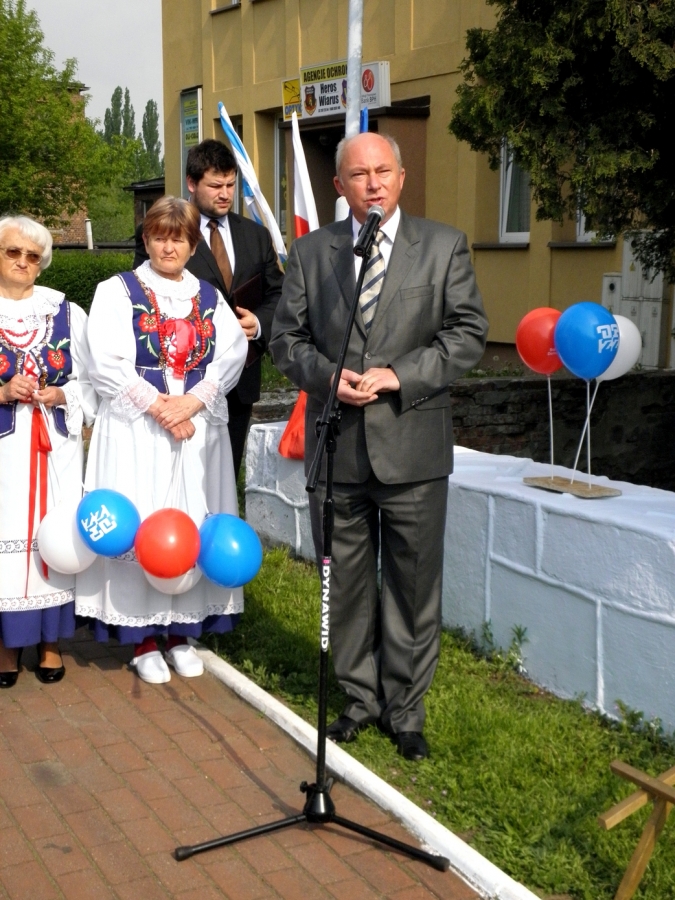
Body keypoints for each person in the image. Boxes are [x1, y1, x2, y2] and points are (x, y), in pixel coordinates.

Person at [270, 133, 488, 760]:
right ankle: (359, 699)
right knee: (345, 584)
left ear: (401, 177)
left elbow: (468, 332)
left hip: (412, 448)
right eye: (359, 174)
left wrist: (400, 375)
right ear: (339, 185)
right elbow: (286, 340)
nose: (373, 184)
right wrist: (325, 376)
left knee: (413, 586)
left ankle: (405, 710)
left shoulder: (443, 246)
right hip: (337, 447)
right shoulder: (312, 252)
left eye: (383, 171)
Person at [77, 197, 248, 684]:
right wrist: (160, 407)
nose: (168, 247)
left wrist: (191, 402)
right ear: (146, 239)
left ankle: (180, 632)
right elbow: (104, 359)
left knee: (190, 518)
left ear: (193, 245)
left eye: (178, 238)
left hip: (196, 431)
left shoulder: (210, 297)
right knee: (143, 518)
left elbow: (232, 354)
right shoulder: (116, 291)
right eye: (159, 236)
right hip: (137, 430)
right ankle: (142, 638)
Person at [134, 139, 284, 477]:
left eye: (231, 185)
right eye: (216, 186)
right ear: (191, 183)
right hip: (179, 384)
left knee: (224, 478)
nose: (225, 194)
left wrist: (259, 322)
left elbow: (279, 292)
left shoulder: (256, 236)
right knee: (175, 478)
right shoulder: (163, 234)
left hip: (239, 380)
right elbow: (145, 298)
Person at [0, 215, 96, 688]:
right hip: (4, 452)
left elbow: (94, 382)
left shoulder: (67, 313)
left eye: (32, 256)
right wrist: (2, 392)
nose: (22, 261)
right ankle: (5, 645)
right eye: (12, 252)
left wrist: (62, 394)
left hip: (55, 449)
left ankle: (51, 642)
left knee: (54, 535)